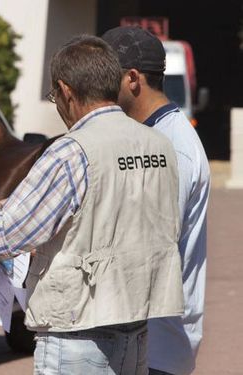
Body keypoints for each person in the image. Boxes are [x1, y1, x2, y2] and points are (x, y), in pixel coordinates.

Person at [0, 34, 185, 374]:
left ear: (66, 91)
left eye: (54, 96)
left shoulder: (71, 151)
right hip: (138, 329)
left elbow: (5, 238)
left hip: (78, 336)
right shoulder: (158, 145)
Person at [102, 26, 210, 375]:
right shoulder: (152, 135)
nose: (96, 87)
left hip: (157, 352)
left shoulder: (171, 146)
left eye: (105, 77)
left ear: (132, 79)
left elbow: (153, 248)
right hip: (144, 347)